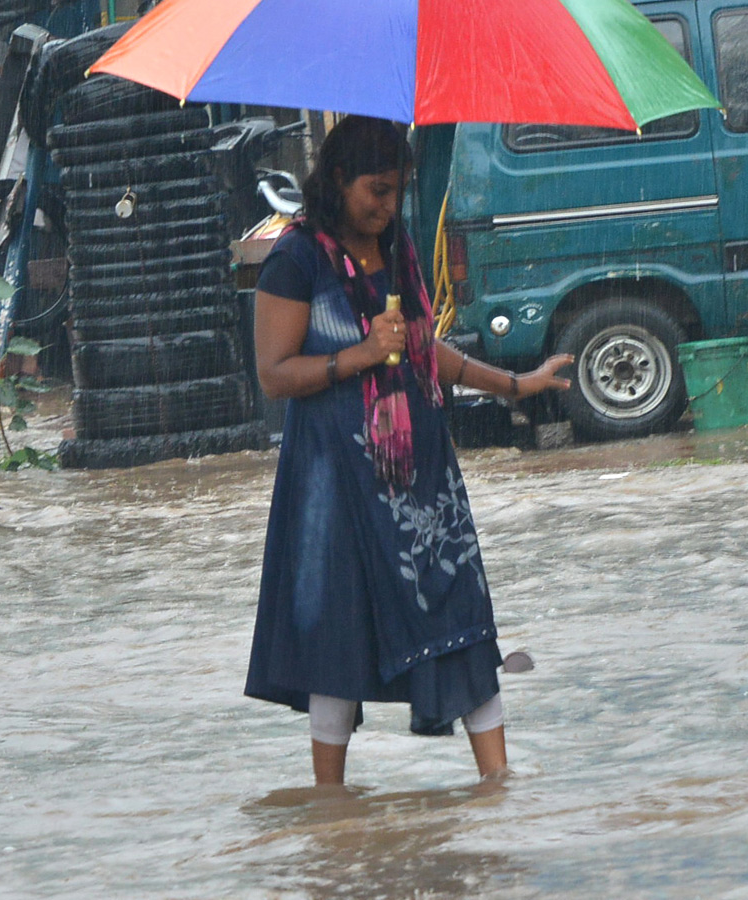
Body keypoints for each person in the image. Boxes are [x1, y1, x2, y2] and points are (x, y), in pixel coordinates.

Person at [245, 115, 572, 786]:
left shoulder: (396, 251)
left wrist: (517, 384)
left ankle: (498, 787)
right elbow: (275, 374)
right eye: (375, 190)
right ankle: (332, 811)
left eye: (396, 192)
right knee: (339, 634)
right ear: (335, 180)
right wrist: (359, 355)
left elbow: (428, 354)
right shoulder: (296, 258)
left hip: (418, 479)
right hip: (334, 479)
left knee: (461, 614)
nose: (387, 206)